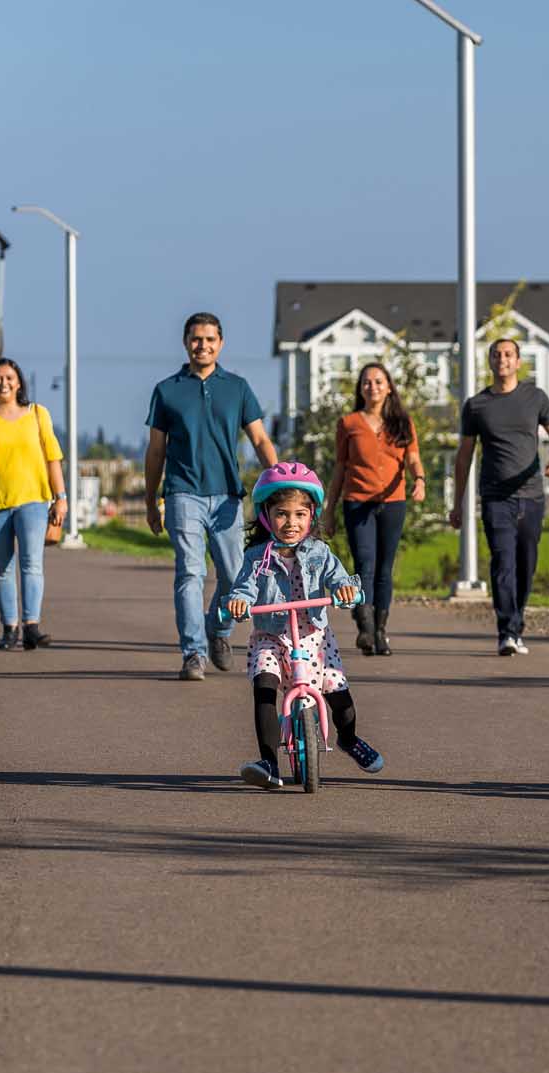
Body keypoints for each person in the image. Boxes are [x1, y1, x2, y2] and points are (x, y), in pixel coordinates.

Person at [224, 463, 385, 790]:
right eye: (282, 514)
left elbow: (340, 578)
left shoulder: (320, 552)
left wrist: (345, 590)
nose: (291, 523)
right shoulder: (257, 557)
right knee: (264, 688)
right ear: (266, 515)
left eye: (300, 514)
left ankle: (349, 738)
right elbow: (244, 587)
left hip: (314, 639)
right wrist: (239, 601)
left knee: (338, 693)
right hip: (270, 637)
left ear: (312, 514)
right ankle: (268, 762)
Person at [144, 311, 279, 681]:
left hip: (227, 496)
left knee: (235, 575)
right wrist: (149, 500)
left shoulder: (237, 387)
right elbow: (155, 452)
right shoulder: (167, 390)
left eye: (209, 339)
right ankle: (193, 653)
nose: (202, 345)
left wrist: (279, 481)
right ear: (186, 342)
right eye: (196, 338)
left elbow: (260, 439)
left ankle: (217, 630)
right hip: (181, 492)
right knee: (190, 570)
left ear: (220, 344)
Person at [449, 337, 549, 656]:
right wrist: (458, 503)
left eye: (508, 354)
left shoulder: (535, 397)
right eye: (496, 354)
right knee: (502, 561)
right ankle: (507, 631)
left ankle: (517, 621)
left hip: (531, 495)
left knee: (525, 564)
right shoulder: (477, 405)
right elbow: (464, 457)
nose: (502, 359)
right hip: (495, 496)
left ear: (518, 361)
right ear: (490, 362)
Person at [0, 358, 69, 650]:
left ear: (19, 383)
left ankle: (32, 626)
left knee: (32, 564)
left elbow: (52, 458)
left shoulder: (37, 414)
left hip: (33, 501)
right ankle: (10, 627)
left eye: (9, 378)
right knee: (3, 568)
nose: (3, 383)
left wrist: (61, 498)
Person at [324, 361, 425, 656]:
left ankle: (381, 631)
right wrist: (328, 511)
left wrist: (419, 479)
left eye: (379, 382)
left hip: (394, 502)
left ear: (389, 387)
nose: (373, 387)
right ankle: (365, 629)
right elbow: (340, 470)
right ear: (360, 389)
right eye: (367, 382)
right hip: (358, 501)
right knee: (365, 564)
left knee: (384, 569)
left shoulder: (402, 423)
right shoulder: (349, 424)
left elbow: (413, 458)